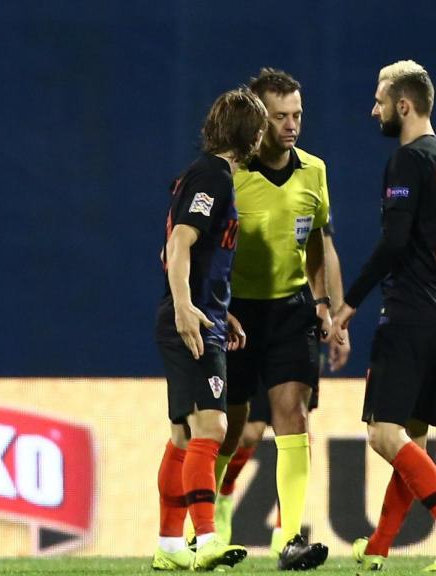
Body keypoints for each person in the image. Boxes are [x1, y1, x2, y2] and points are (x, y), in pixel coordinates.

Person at [334, 60, 436, 572]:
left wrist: (350, 302)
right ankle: (378, 548)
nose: (373, 110)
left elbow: (394, 243)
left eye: (379, 101)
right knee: (411, 440)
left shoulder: (407, 161)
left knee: (383, 433)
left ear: (403, 105)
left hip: (408, 315)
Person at [215, 69, 335, 570]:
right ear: (259, 120)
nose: (292, 126)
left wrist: (324, 302)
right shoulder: (229, 175)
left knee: (294, 415)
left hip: (291, 310)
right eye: (281, 116)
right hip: (237, 314)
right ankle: (206, 528)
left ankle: (290, 539)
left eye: (298, 115)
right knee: (231, 429)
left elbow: (319, 243)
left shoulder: (314, 171)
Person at [152, 87, 267, 572]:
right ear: (252, 135)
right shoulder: (213, 176)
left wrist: (221, 309)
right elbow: (179, 243)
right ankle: (207, 538)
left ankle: (169, 545)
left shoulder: (204, 175)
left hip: (204, 315)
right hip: (193, 320)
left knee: (184, 436)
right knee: (212, 427)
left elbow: (189, 255)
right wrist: (186, 308)